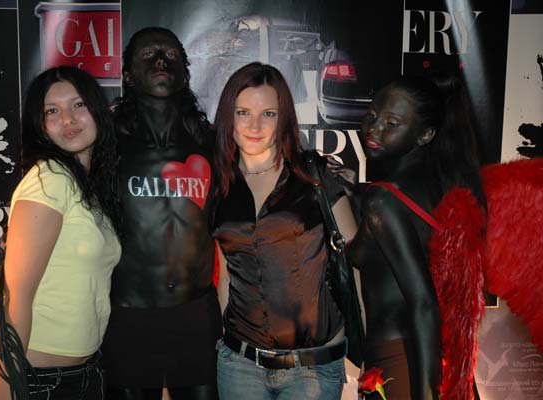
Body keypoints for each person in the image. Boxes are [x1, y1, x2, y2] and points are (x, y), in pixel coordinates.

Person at [211, 62, 358, 400]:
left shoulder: (313, 175)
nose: (255, 126)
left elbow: (356, 261)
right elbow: (227, 275)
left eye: (269, 114)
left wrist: (363, 349)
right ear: (228, 117)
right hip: (239, 365)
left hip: (312, 369)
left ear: (284, 118)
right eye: (243, 112)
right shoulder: (220, 185)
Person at [346, 75, 486, 400]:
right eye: (371, 115)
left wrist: (426, 394)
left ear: (425, 135)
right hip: (442, 360)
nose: (374, 129)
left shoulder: (384, 200)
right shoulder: (443, 189)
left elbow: (423, 302)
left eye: (391, 123)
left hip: (402, 366)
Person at [102, 27, 221, 400]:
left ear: (185, 72)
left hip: (196, 317)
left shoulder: (212, 143)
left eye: (170, 55)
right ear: (127, 75)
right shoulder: (105, 145)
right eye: (148, 54)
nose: (159, 61)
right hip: (129, 317)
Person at [0, 66, 122, 399]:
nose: (68, 119)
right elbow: (14, 299)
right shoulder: (49, 181)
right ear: (40, 125)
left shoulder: (86, 186)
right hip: (39, 381)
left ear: (98, 109)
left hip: (84, 375)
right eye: (52, 111)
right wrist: (7, 392)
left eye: (78, 105)